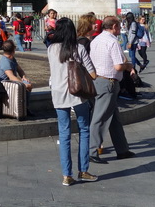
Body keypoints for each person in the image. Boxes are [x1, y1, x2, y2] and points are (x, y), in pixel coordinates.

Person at [47, 17, 98, 186]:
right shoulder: (79, 48)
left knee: (64, 134)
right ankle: (83, 170)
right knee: (84, 130)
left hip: (58, 93)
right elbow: (93, 74)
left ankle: (66, 175)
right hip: (78, 94)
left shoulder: (51, 49)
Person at [88, 16, 135, 164]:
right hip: (108, 82)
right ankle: (92, 151)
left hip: (97, 80)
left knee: (114, 118)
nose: (120, 29)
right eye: (119, 26)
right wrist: (129, 66)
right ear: (114, 26)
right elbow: (118, 66)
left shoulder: (96, 40)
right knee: (99, 118)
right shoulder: (113, 41)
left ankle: (122, 149)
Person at [0, 40, 34, 114]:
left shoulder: (11, 58)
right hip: (4, 84)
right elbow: (11, 77)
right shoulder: (5, 61)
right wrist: (24, 85)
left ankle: (25, 107)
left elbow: (20, 70)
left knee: (26, 83)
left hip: (10, 82)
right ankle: (24, 108)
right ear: (13, 49)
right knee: (26, 86)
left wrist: (23, 77)